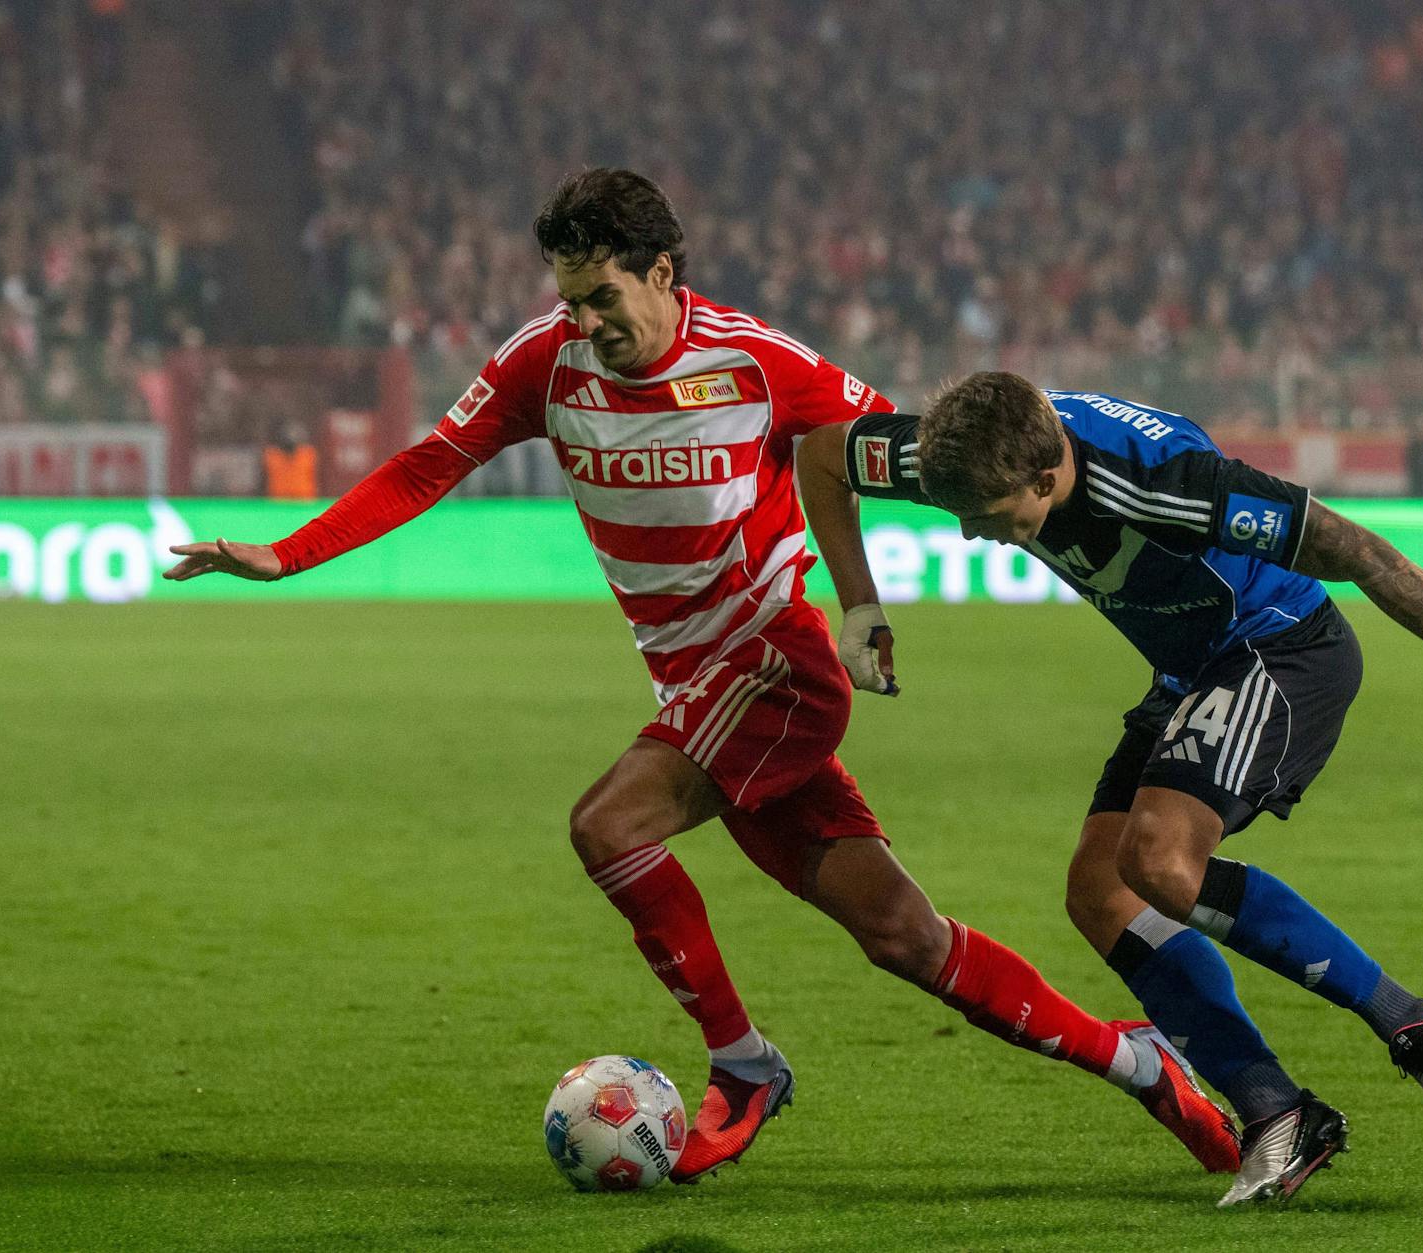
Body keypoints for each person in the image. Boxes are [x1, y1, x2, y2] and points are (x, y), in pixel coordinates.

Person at [162, 170, 1239, 1184]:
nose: (583, 321)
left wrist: (871, 602)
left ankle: (743, 1061)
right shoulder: (543, 364)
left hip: (774, 663)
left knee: (606, 826)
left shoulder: (757, 362)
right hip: (699, 693)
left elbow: (883, 447)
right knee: (903, 935)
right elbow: (428, 465)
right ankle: (1136, 1059)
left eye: (600, 296)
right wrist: (284, 553)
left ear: (663, 275)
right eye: (568, 299)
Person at [796, 371, 1423, 1206]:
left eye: (985, 516)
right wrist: (860, 606)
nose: (970, 531)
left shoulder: (1169, 485)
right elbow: (820, 456)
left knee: (1160, 861)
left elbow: (1358, 552)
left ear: (1046, 479)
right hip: (1191, 668)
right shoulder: (968, 445)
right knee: (1099, 893)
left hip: (1280, 649)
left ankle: (1417, 1027)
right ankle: (1276, 1110)